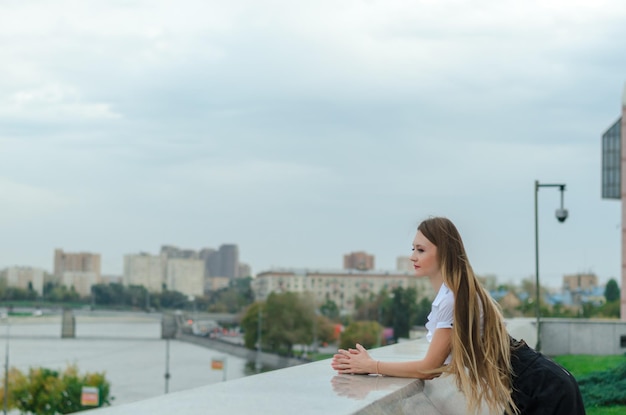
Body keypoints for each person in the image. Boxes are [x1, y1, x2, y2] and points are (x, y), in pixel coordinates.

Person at [330, 216, 585, 415]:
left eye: (420, 250)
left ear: (444, 252)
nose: (412, 256)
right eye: (413, 249)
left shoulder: (454, 297)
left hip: (542, 388)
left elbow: (429, 367)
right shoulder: (455, 292)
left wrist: (371, 366)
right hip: (536, 384)